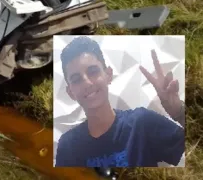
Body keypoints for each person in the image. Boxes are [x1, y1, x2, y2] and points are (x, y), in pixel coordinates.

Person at [55, 36, 185, 168]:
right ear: (70, 92)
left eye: (93, 71)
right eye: (77, 79)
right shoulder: (68, 146)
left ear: (108, 74)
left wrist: (180, 113)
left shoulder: (141, 123)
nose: (87, 83)